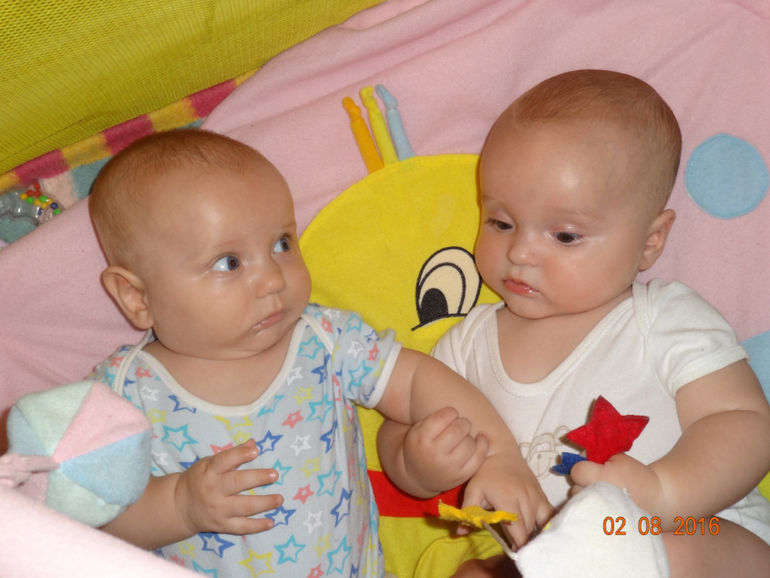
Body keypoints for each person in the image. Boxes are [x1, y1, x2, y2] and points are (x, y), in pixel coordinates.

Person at [86, 128, 552, 578]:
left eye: (281, 244)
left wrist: (499, 455)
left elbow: (415, 382)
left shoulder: (324, 339)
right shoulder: (123, 393)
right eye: (229, 262)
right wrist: (179, 506)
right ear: (136, 297)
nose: (273, 278)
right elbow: (88, 521)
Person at [378, 69, 770, 577]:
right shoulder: (468, 345)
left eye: (564, 235)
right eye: (500, 222)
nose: (520, 252)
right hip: (550, 562)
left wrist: (665, 493)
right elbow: (403, 415)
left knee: (669, 550)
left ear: (650, 242)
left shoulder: (662, 318)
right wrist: (415, 461)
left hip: (703, 534)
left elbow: (743, 421)